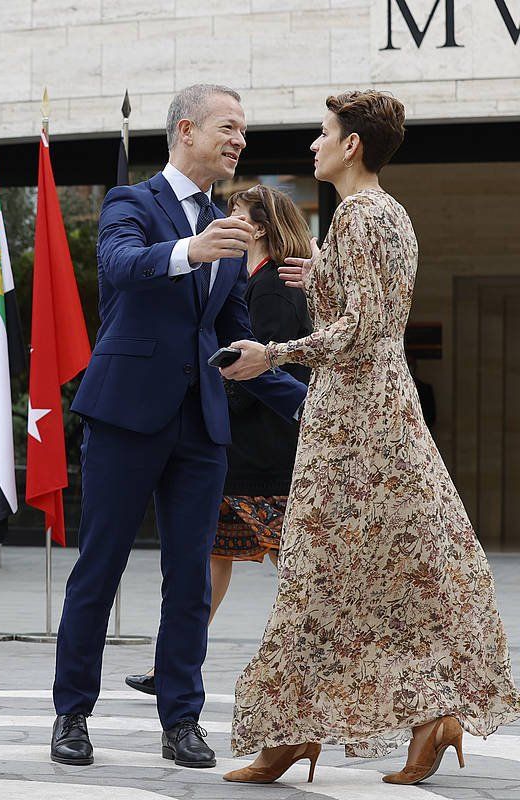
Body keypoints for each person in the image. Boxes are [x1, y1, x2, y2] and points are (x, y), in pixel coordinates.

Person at [223, 90, 520, 785]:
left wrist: (273, 352)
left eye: (323, 134)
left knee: (319, 573)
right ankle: (402, 719)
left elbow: (362, 331)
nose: (314, 145)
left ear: (352, 144)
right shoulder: (385, 215)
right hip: (370, 412)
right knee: (377, 574)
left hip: (358, 421)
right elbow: (373, 310)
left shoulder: (361, 215)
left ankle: (303, 731)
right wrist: (318, 273)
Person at [51, 84, 308, 769]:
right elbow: (119, 267)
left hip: (203, 429)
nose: (240, 142)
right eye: (229, 128)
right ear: (187, 130)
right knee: (98, 570)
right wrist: (189, 250)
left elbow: (235, 336)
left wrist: (309, 405)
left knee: (192, 577)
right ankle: (71, 714)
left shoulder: (228, 221)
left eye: (244, 133)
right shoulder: (132, 203)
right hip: (126, 417)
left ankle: (182, 721)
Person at [125, 184, 313, 697]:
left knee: (296, 568)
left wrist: (205, 400)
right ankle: (172, 665)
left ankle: (326, 662)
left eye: (234, 213)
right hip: (235, 452)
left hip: (264, 455)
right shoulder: (247, 278)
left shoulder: (272, 285)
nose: (223, 219)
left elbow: (262, 365)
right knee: (212, 558)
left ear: (259, 227)